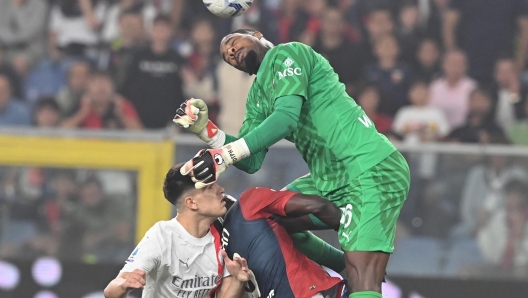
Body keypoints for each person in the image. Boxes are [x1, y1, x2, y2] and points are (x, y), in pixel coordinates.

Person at [175, 29, 410, 298]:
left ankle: (359, 261)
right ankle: (348, 260)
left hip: (370, 166)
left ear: (255, 34)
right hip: (329, 179)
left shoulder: (289, 53)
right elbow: (252, 160)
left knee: (362, 279)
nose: (230, 52)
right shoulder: (258, 96)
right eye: (226, 56)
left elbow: (286, 118)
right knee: (272, 217)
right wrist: (209, 133)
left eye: (232, 42)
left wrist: (224, 156)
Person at [103, 164, 253, 298]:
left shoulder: (224, 234)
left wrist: (237, 281)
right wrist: (124, 286)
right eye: (210, 187)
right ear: (191, 203)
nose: (221, 190)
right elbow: (110, 292)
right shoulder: (162, 236)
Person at [222, 186, 347, 298]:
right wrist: (353, 229)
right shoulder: (247, 204)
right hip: (306, 292)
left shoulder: (220, 251)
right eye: (209, 187)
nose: (220, 189)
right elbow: (319, 206)